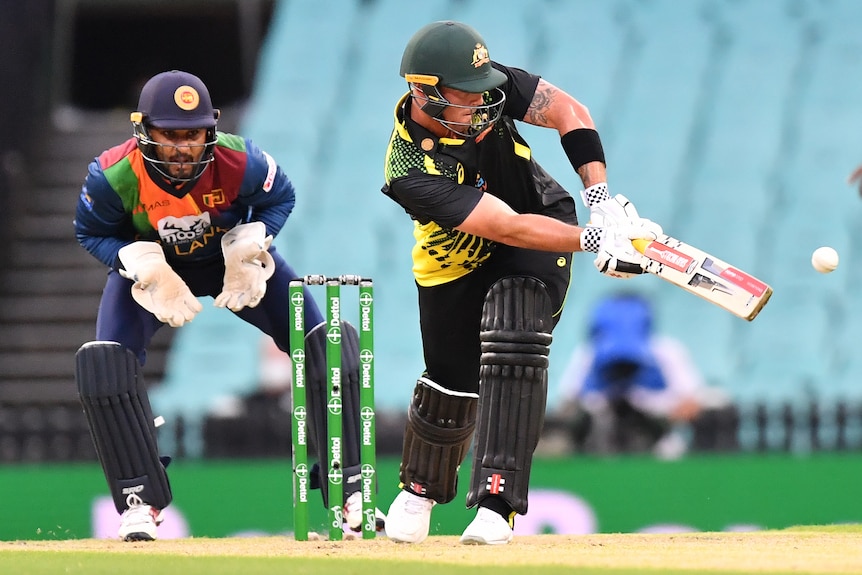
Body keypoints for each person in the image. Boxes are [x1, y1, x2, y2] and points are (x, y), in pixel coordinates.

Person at [379, 21, 663, 545]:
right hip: (456, 259)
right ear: (423, 91)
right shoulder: (409, 171)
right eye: (468, 95)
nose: (486, 103)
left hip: (540, 229)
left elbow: (566, 111)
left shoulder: (485, 86)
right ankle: (419, 489)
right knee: (451, 377)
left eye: (487, 88)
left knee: (515, 334)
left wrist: (599, 201)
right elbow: (501, 225)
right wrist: (596, 241)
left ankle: (496, 502)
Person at [73, 70, 382, 541]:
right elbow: (89, 231)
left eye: (193, 135)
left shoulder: (241, 159)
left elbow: (282, 197)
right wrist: (131, 258)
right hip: (155, 272)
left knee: (325, 343)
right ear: (143, 131)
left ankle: (352, 492)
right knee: (106, 364)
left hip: (232, 262)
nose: (182, 149)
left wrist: (255, 238)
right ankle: (140, 503)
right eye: (169, 135)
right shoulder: (114, 174)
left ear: (210, 130)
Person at [556, 292, 729, 458]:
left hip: (660, 449)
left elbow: (692, 404)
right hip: (601, 448)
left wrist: (653, 419)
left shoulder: (667, 352)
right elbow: (568, 404)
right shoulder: (588, 354)